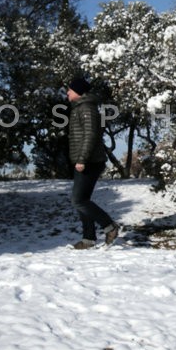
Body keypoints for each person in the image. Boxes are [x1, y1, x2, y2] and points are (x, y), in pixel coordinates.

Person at [66, 75, 119, 249]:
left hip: (89, 161)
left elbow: (90, 135)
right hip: (85, 160)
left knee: (78, 200)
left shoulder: (87, 108)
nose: (67, 92)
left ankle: (109, 226)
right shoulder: (81, 107)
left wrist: (82, 159)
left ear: (78, 92)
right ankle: (88, 239)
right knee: (83, 200)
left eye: (70, 89)